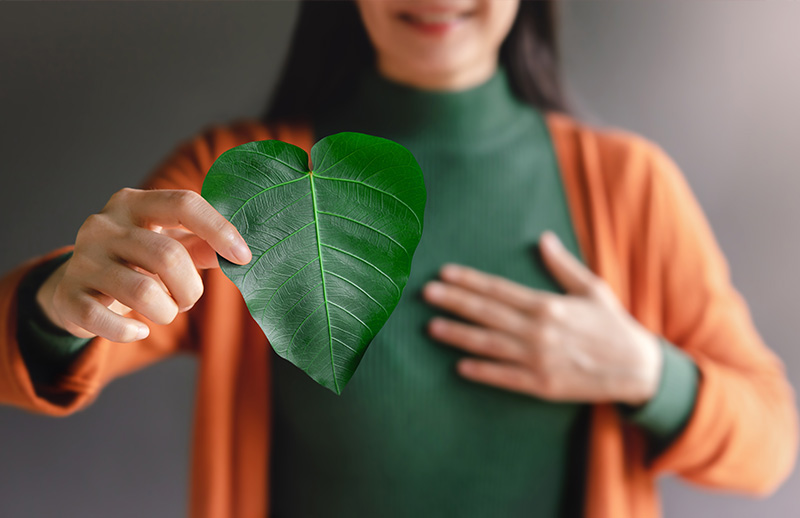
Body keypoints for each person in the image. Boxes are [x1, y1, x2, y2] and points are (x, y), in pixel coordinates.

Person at [0, 1, 796, 517]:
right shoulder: (236, 171)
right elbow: (51, 344)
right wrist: (61, 304)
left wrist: (647, 373)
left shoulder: (630, 187)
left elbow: (770, 445)